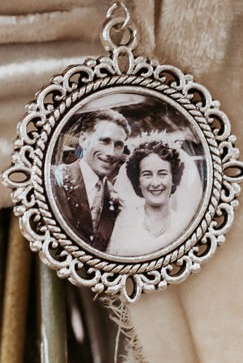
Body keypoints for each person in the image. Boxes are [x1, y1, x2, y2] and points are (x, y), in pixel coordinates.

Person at [109, 136, 203, 257]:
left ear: (173, 178)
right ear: (137, 180)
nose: (155, 183)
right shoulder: (125, 222)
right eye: (147, 174)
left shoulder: (183, 223)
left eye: (162, 174)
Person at [51, 108, 129, 251]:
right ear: (84, 140)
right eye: (104, 141)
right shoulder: (54, 178)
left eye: (118, 145)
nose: (111, 153)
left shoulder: (116, 200)